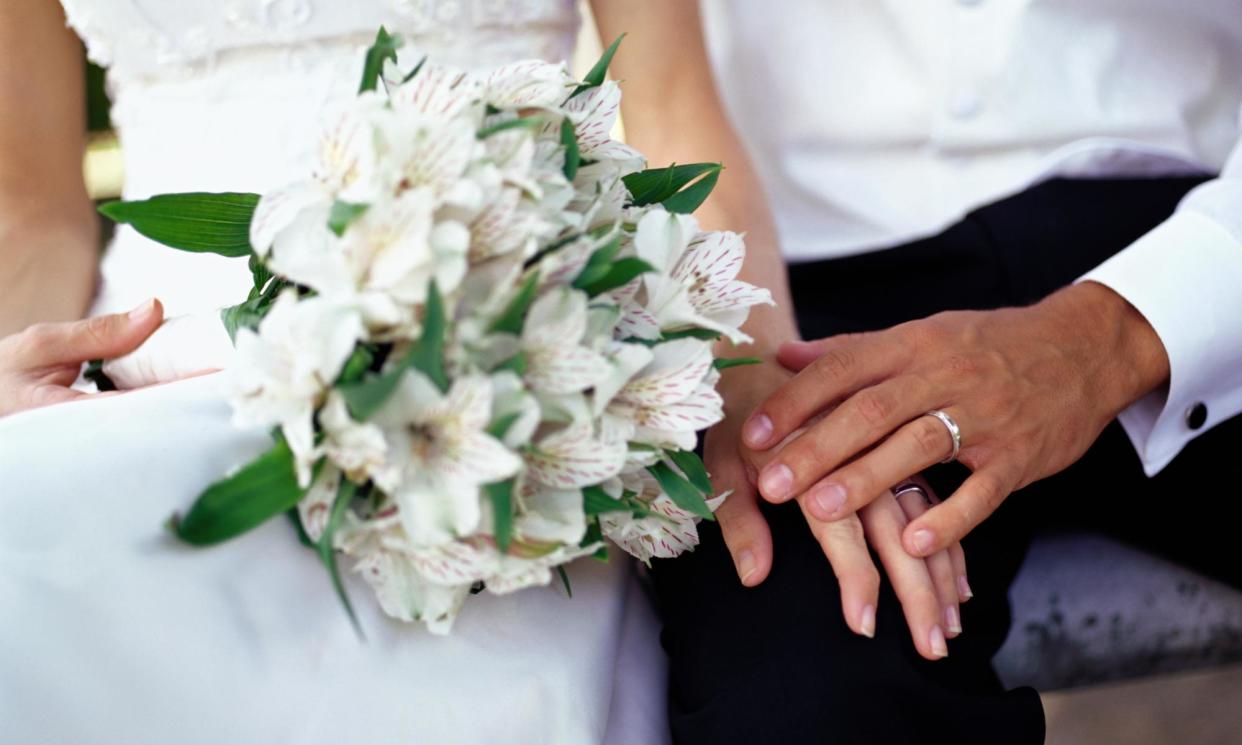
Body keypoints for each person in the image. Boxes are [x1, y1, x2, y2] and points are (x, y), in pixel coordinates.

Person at [0, 1, 957, 742]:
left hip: (514, 357)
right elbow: (32, 212)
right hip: (149, 368)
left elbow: (669, 103)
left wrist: (747, 373)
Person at [650, 1, 1242, 743]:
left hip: (1197, 223)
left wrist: (1115, 333)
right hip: (802, 288)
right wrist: (743, 346)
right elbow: (662, 95)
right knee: (802, 695)